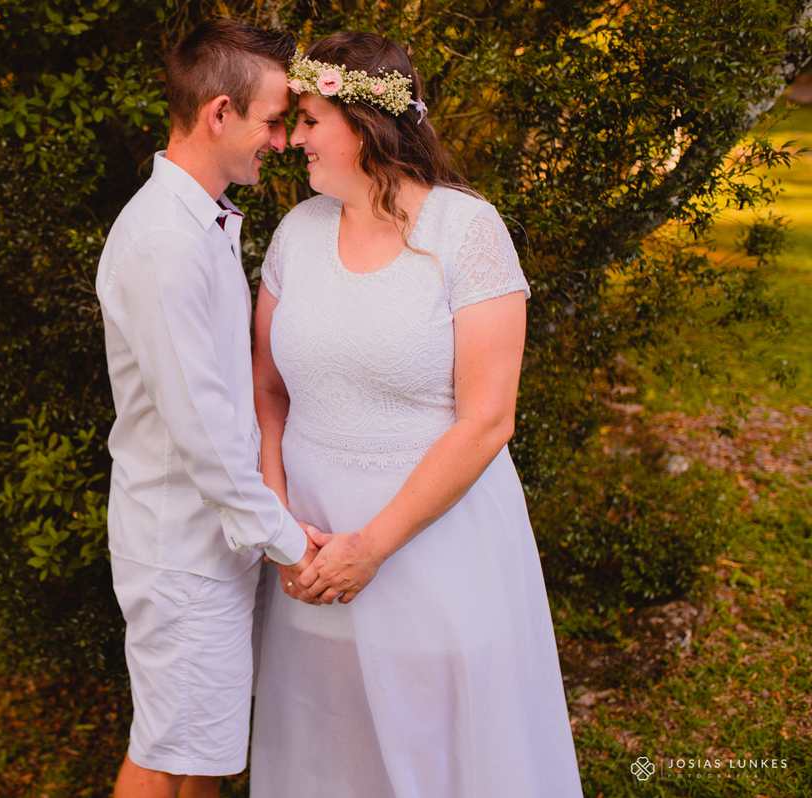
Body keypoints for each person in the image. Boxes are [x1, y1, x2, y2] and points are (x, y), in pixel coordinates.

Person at [249, 32, 583, 797]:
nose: (293, 140)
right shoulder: (297, 235)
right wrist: (277, 518)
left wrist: (370, 547)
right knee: (331, 747)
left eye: (309, 120)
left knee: (439, 749)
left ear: (365, 124)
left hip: (433, 549)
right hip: (310, 554)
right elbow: (267, 390)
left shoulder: (467, 232)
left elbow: (488, 420)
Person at [95, 19, 320, 798]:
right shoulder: (164, 241)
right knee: (166, 753)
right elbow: (202, 429)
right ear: (220, 113)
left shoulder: (205, 220)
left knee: (206, 756)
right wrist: (288, 542)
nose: (282, 142)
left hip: (215, 544)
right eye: (273, 122)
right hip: (180, 550)